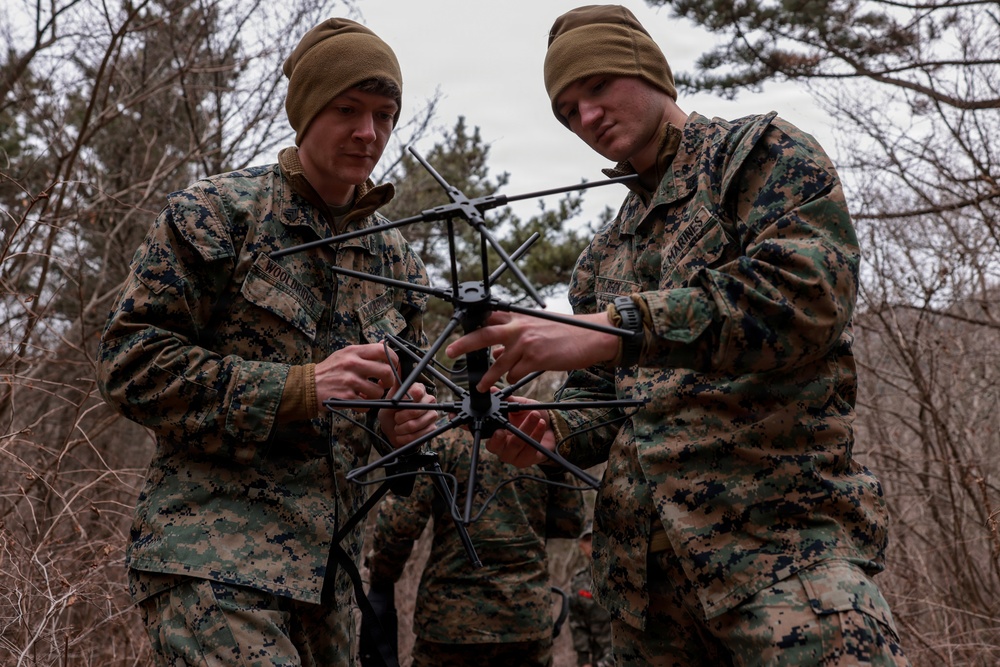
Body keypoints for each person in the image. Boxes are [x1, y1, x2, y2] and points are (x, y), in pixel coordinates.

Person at [445, 5, 910, 665]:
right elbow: (604, 396)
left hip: (782, 561)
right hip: (645, 603)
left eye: (598, 87)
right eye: (569, 109)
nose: (588, 117)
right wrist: (548, 427)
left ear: (648, 69)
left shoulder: (758, 157)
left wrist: (618, 327)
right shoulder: (604, 252)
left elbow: (804, 301)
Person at [96, 17, 438, 666]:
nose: (369, 133)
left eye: (384, 114)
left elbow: (403, 421)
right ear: (307, 110)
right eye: (348, 110)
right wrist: (298, 388)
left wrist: (401, 429)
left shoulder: (397, 259)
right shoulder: (217, 215)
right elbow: (128, 364)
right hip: (212, 556)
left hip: (330, 581)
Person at [362, 427, 586, 667]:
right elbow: (571, 521)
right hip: (525, 620)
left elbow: (400, 522)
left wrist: (381, 579)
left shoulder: (442, 441)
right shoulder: (533, 442)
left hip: (451, 621)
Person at [568, 522, 614, 667]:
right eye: (588, 540)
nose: (593, 544)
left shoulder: (626, 573)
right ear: (581, 545)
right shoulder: (579, 582)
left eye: (597, 538)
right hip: (598, 657)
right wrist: (583, 661)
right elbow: (578, 623)